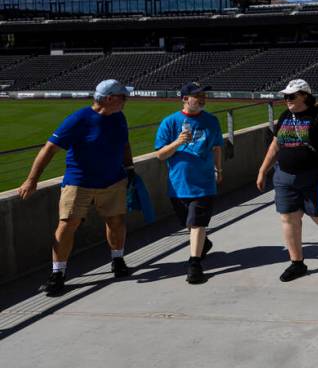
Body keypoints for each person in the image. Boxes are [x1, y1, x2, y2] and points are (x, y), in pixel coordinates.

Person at [17, 80, 135, 296]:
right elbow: (49, 148)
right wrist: (31, 179)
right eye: (123, 97)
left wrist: (129, 168)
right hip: (79, 182)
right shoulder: (79, 119)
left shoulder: (119, 117)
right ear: (109, 99)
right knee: (67, 225)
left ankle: (118, 260)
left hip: (113, 181)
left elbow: (124, 143)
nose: (126, 100)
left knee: (116, 221)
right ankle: (58, 274)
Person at [256, 79, 318, 282]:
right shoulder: (285, 116)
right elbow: (275, 145)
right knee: (288, 218)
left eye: (291, 96)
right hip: (284, 176)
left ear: (304, 95)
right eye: (285, 96)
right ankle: (297, 263)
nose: (286, 100)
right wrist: (263, 170)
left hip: (311, 175)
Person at [154, 82, 224, 284]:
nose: (202, 99)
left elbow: (217, 147)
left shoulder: (211, 121)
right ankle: (204, 244)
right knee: (189, 223)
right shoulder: (170, 122)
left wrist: (219, 170)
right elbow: (160, 155)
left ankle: (194, 264)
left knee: (197, 222)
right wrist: (177, 142)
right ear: (185, 99)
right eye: (197, 96)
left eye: (203, 95)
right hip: (178, 185)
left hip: (204, 183)